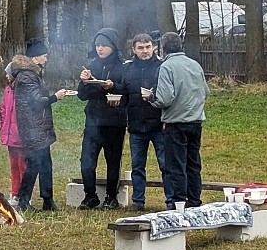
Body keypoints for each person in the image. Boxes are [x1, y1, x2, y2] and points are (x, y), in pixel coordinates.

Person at [146, 32, 209, 209]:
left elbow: (165, 98)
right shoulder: (194, 64)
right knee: (193, 163)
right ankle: (195, 201)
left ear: (163, 48)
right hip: (196, 123)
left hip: (175, 124)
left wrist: (151, 98)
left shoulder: (166, 67)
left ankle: (179, 203)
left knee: (176, 165)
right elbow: (205, 91)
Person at [10, 39, 69, 211]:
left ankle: (47, 199)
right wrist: (55, 97)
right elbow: (36, 102)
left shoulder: (32, 74)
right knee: (35, 164)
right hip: (33, 128)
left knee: (44, 164)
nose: (46, 59)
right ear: (35, 58)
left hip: (38, 128)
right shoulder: (27, 76)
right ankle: (23, 200)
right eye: (44, 56)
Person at [76, 28, 128, 210]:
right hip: (93, 121)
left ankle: (111, 197)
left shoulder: (123, 67)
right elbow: (81, 95)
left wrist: (114, 87)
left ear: (113, 46)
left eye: (104, 45)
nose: (100, 49)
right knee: (86, 160)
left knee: (112, 161)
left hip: (115, 122)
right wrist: (84, 82)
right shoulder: (91, 66)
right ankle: (90, 196)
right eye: (98, 45)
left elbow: (128, 92)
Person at [119, 33, 172, 210]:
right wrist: (117, 100)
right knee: (137, 166)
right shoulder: (127, 69)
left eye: (148, 47)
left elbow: (169, 94)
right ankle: (138, 201)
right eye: (141, 48)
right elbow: (124, 94)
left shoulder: (162, 66)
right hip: (135, 125)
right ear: (134, 49)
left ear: (154, 47)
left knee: (165, 165)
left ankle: (171, 200)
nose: (145, 51)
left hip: (159, 124)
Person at [0, 64, 26, 194]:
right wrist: (3, 125)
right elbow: (3, 109)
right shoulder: (8, 90)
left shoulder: (23, 90)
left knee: (23, 166)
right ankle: (15, 193)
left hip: (20, 135)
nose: (6, 76)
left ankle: (24, 193)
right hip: (10, 134)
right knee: (14, 166)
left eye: (8, 73)